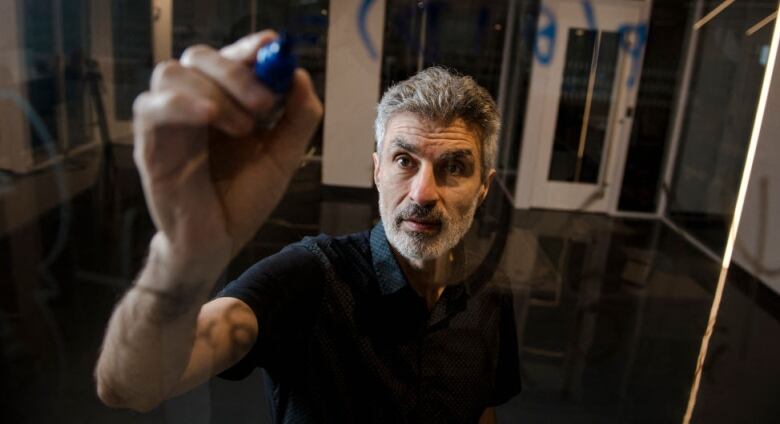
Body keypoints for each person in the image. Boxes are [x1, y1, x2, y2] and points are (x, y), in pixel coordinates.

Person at [94, 31, 521, 423]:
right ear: (377, 171)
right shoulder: (310, 279)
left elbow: (481, 410)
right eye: (404, 161)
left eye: (453, 167)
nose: (423, 193)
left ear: (483, 187)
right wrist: (182, 256)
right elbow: (130, 385)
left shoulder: (489, 295)